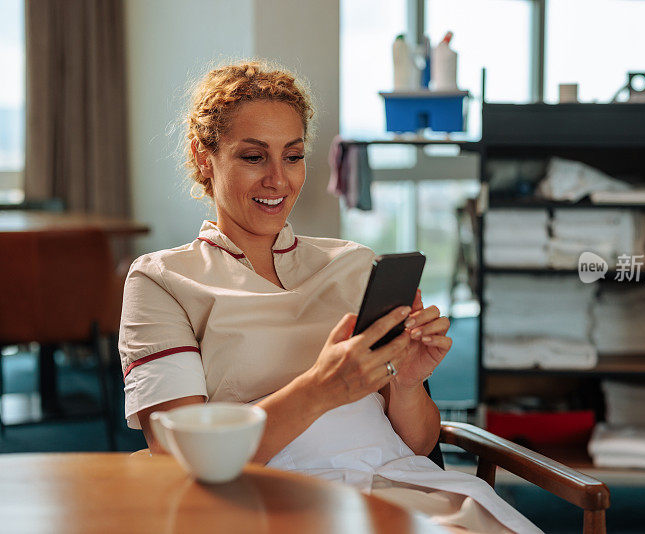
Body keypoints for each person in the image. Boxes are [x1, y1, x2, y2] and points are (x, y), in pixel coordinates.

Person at [119, 60, 541, 534]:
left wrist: (405, 383)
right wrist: (322, 388)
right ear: (203, 156)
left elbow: (420, 444)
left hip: (406, 490)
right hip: (277, 504)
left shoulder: (353, 263)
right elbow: (179, 457)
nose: (278, 180)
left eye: (293, 156)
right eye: (254, 157)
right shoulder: (162, 281)